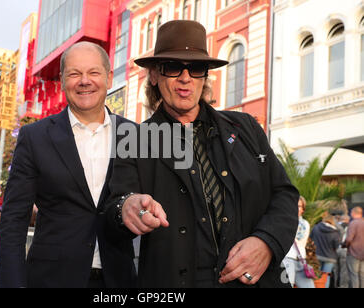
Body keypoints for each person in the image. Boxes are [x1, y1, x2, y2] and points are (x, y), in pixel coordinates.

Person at [106, 20, 299, 288]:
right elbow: (115, 206)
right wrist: (126, 207)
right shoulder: (136, 140)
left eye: (196, 68)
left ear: (205, 76)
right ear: (154, 75)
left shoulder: (246, 128)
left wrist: (266, 242)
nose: (185, 77)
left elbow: (284, 193)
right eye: (173, 67)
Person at [0, 41, 137, 288]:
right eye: (75, 74)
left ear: (108, 76)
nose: (85, 81)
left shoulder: (134, 135)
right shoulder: (35, 137)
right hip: (50, 279)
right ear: (62, 80)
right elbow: (13, 220)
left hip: (118, 280)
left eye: (93, 72)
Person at [283, 196, 315, 288]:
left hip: (301, 260)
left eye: (299, 206)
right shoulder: (284, 222)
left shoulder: (305, 224)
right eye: (294, 205)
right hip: (287, 259)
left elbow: (299, 239)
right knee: (288, 285)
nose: (296, 208)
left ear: (303, 209)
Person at [310, 212, 341, 288]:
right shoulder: (335, 232)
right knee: (326, 277)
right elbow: (337, 246)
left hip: (317, 255)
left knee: (316, 275)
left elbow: (310, 239)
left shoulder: (316, 227)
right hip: (330, 257)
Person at [345, 206, 364, 288]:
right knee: (362, 275)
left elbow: (349, 239)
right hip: (363, 253)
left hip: (353, 253)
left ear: (353, 213)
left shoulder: (353, 223)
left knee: (353, 275)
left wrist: (344, 245)